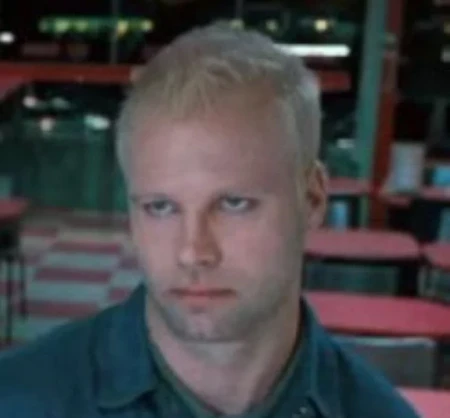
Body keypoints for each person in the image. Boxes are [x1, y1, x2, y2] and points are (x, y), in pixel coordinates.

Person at [0, 24, 420, 418]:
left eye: (234, 204)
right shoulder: (17, 400)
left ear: (311, 200)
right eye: (160, 207)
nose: (193, 251)